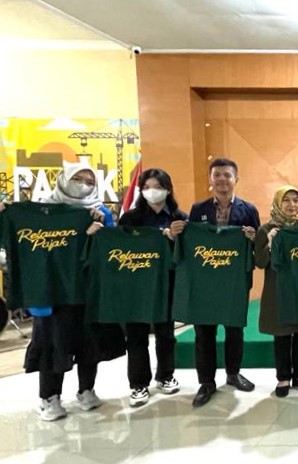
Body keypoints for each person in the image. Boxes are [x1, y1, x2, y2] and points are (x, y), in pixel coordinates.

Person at [22, 162, 123, 420]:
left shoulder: (99, 211)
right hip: (54, 291)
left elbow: (113, 249)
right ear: (63, 179)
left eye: (89, 182)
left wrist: (100, 232)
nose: (83, 185)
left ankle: (86, 390)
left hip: (88, 291)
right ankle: (49, 397)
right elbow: (36, 248)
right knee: (53, 343)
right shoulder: (44, 212)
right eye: (77, 179)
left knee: (89, 342)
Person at [188, 158, 260, 407]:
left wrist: (253, 238)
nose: (222, 180)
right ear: (210, 179)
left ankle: (233, 373)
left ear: (236, 179)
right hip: (205, 281)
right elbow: (193, 243)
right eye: (217, 175)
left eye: (227, 175)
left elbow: (259, 246)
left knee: (234, 329)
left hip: (235, 280)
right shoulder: (198, 209)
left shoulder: (249, 210)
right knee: (204, 332)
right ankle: (206, 382)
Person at [118, 168, 188, 406]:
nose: (152, 191)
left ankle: (166, 376)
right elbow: (119, 251)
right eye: (147, 187)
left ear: (168, 190)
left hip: (167, 283)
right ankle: (138, 384)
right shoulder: (130, 219)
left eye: (158, 187)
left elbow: (187, 254)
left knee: (166, 334)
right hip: (135, 286)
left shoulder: (180, 218)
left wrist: (174, 239)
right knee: (136, 335)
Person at [255, 185, 298, 398]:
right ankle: (283, 377)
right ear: (278, 203)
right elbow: (260, 262)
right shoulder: (266, 230)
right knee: (281, 334)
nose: (292, 205)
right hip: (277, 290)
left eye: (296, 200)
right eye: (287, 200)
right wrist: (270, 243)